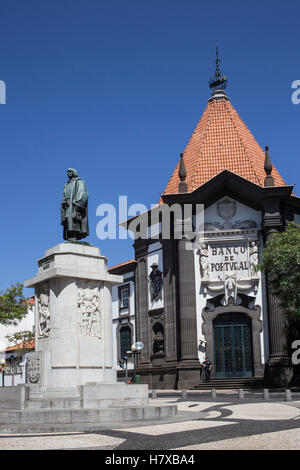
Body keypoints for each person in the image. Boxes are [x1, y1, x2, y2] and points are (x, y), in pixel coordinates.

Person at [61, 168, 89, 242]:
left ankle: (75, 236)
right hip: (67, 205)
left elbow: (82, 193)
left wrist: (77, 203)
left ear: (74, 172)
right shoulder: (67, 184)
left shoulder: (79, 182)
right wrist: (64, 202)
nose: (68, 173)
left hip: (74, 205)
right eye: (67, 172)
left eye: (70, 171)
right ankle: (70, 236)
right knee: (67, 219)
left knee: (74, 219)